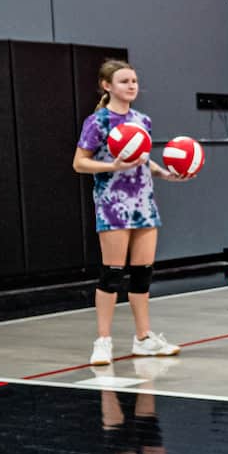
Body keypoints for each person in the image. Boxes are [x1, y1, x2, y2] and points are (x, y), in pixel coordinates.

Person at [72, 58, 182, 366]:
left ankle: (144, 338)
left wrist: (165, 173)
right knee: (112, 273)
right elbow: (79, 162)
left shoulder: (142, 121)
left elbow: (143, 159)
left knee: (142, 274)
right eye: (124, 81)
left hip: (143, 203)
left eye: (133, 81)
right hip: (112, 203)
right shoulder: (98, 123)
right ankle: (103, 340)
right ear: (107, 86)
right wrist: (112, 166)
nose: (131, 86)